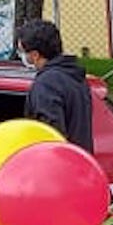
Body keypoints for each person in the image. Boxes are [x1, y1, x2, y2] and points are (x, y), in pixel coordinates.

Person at [16, 18, 95, 152]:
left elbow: (50, 133)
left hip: (58, 165)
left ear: (35, 55)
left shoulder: (47, 84)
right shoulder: (74, 77)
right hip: (80, 161)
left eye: (22, 51)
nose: (21, 56)